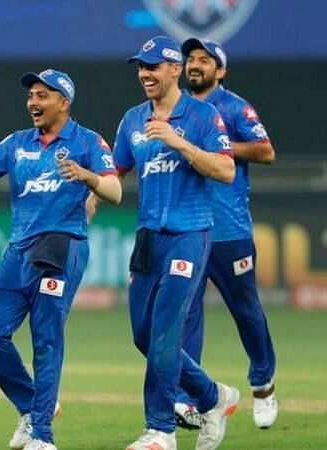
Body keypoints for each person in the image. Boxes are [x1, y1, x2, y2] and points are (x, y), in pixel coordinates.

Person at [0, 69, 121, 450]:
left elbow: (115, 191)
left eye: (42, 95)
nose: (33, 102)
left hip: (62, 246)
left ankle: (42, 436)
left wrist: (88, 177)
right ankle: (32, 407)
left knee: (45, 339)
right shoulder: (17, 143)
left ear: (64, 102)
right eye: (31, 95)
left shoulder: (87, 142)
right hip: (19, 251)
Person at [112, 35, 239, 450]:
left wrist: (178, 141)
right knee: (143, 336)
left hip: (189, 233)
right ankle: (213, 397)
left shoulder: (202, 116)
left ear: (175, 69)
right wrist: (89, 199)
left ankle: (160, 430)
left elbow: (226, 171)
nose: (144, 74)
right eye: (140, 67)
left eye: (152, 66)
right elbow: (116, 173)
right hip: (148, 237)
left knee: (165, 330)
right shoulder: (132, 120)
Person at [173, 38, 278, 430]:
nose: (195, 65)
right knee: (185, 314)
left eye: (205, 60)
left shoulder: (235, 107)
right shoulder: (176, 109)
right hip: (187, 227)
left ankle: (263, 385)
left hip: (229, 230)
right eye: (191, 59)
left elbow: (265, 151)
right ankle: (189, 399)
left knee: (245, 309)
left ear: (221, 71)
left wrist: (219, 145)